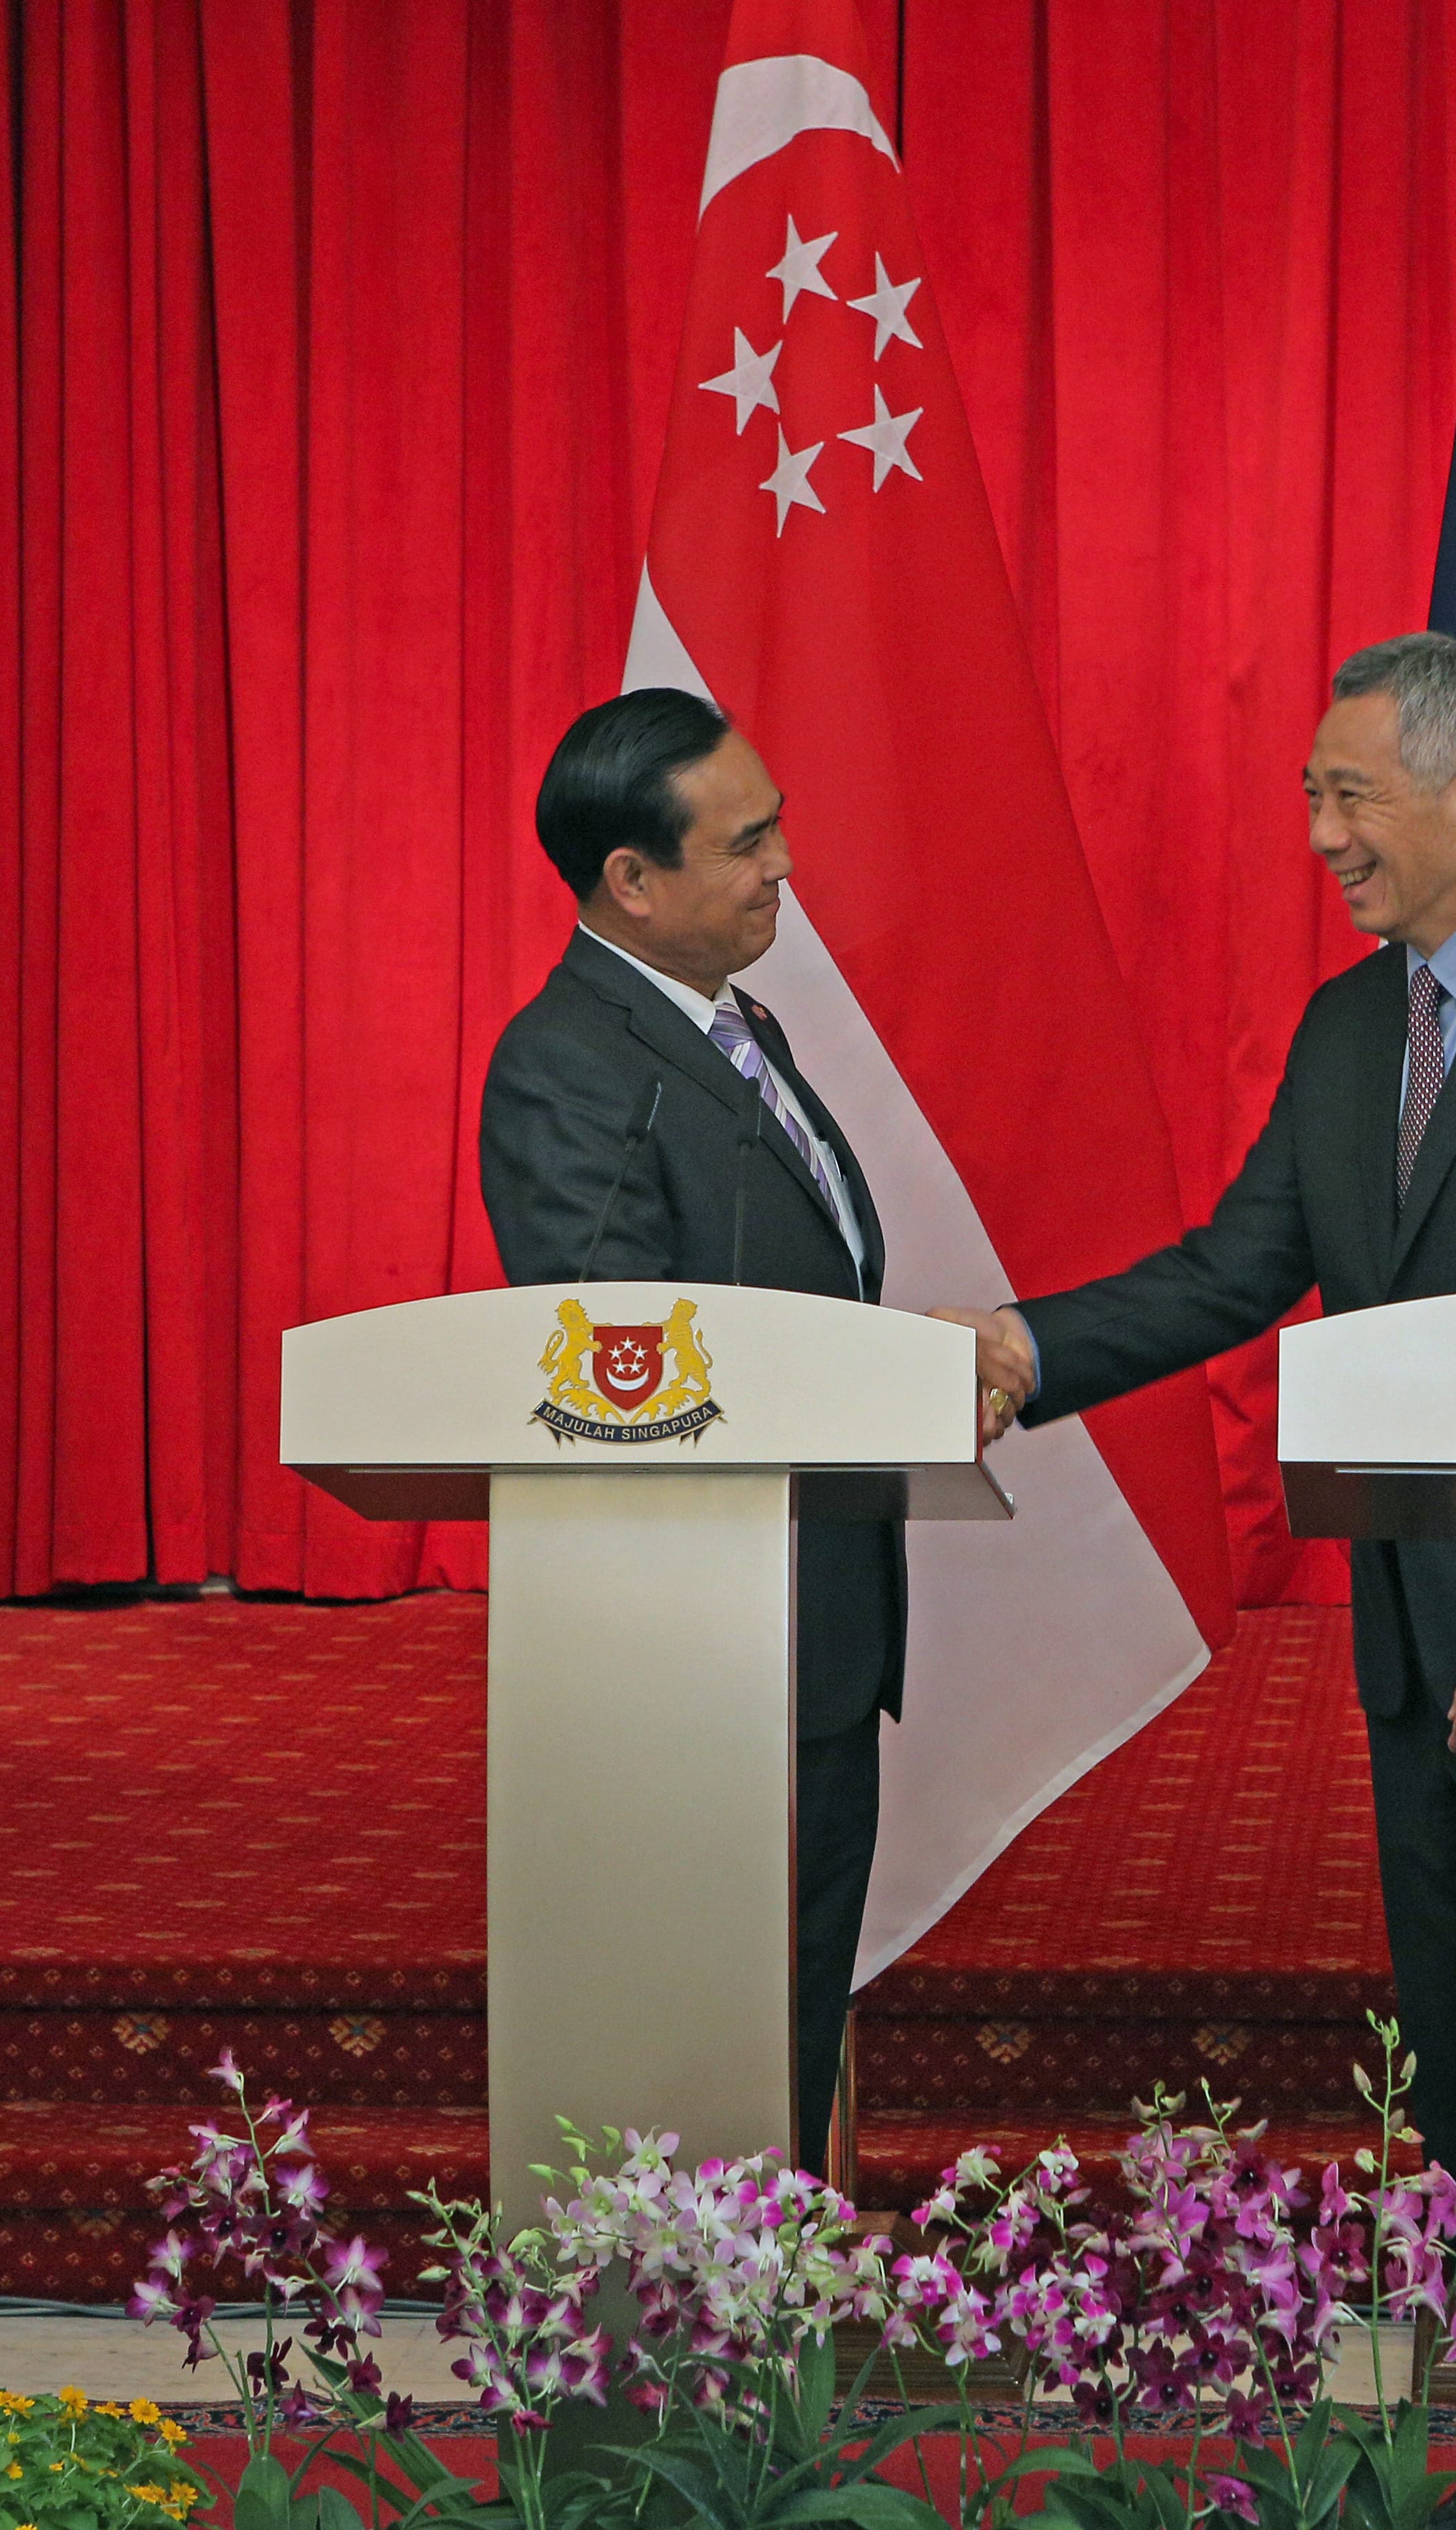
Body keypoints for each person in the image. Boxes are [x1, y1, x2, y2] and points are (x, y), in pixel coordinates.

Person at [949, 632, 1456, 2181]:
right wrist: (1023, 1350)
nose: (1321, 836)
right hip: (1406, 1608)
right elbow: (1237, 1268)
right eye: (1311, 794)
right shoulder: (1347, 1026)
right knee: (1450, 2012)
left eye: (1350, 796)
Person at [479, 687, 940, 2165]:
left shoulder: (737, 1025)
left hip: (811, 1622)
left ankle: (773, 2322)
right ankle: (727, 2354)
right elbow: (632, 1377)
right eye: (746, 843)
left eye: (779, 824)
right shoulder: (570, 1064)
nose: (782, 865)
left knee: (791, 2004)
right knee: (731, 2025)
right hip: (717, 1652)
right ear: (633, 879)